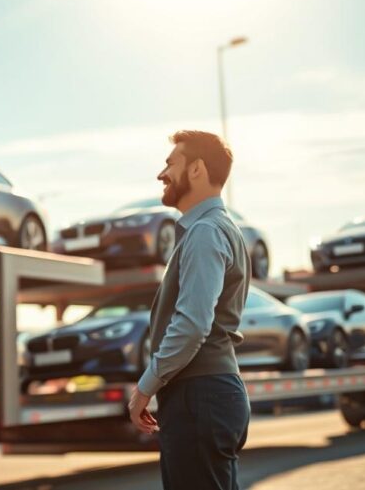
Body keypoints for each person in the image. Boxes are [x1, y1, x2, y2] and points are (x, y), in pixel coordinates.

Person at [128, 130, 251, 490]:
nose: (161, 174)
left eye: (170, 164)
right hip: (207, 395)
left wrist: (146, 386)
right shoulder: (218, 229)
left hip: (199, 397)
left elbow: (193, 323)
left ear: (196, 169)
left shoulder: (205, 232)